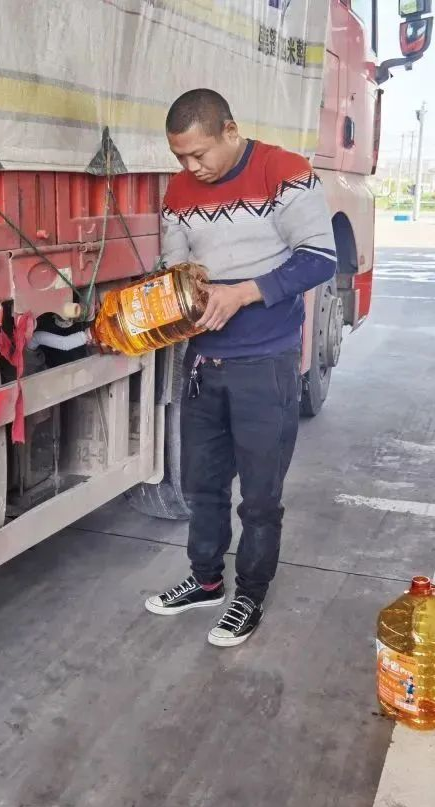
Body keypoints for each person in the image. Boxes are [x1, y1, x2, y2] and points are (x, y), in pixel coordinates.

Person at [143, 89, 336, 647]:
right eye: (180, 156)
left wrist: (242, 293)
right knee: (202, 486)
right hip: (204, 363)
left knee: (259, 496)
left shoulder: (284, 172)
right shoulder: (180, 190)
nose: (190, 167)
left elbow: (320, 259)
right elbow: (176, 264)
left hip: (265, 364)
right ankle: (205, 580)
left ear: (230, 130)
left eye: (199, 153)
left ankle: (249, 593)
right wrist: (170, 294)